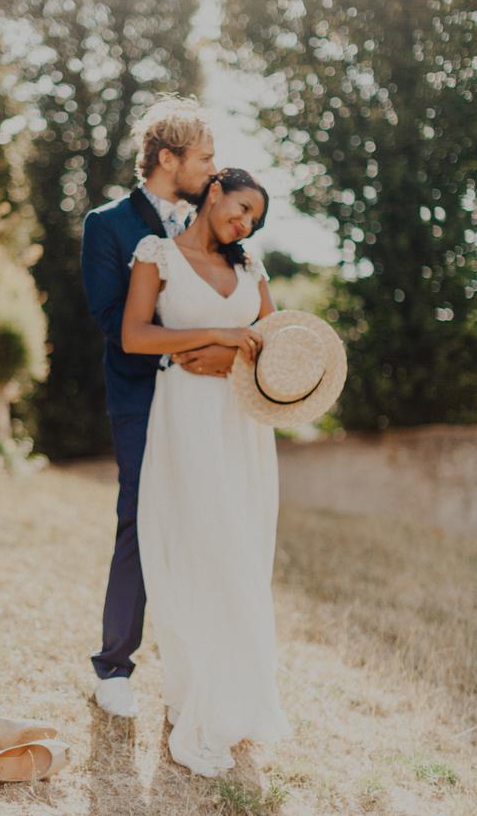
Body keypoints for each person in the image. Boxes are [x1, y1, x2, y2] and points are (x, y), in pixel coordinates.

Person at [121, 168, 292, 777]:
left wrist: (229, 354)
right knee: (200, 547)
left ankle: (238, 698)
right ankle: (199, 692)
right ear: (214, 191)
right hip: (187, 418)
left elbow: (278, 340)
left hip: (243, 422)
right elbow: (135, 335)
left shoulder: (252, 270)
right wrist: (217, 331)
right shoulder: (157, 254)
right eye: (242, 207)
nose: (245, 224)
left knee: (241, 550)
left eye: (255, 219)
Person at [81, 95, 233, 719]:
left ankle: (197, 677)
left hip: (209, 400)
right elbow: (113, 320)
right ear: (167, 158)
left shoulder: (214, 219)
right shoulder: (109, 224)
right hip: (142, 397)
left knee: (206, 526)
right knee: (139, 524)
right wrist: (197, 342)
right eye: (204, 157)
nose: (214, 170)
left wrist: (226, 353)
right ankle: (113, 668)